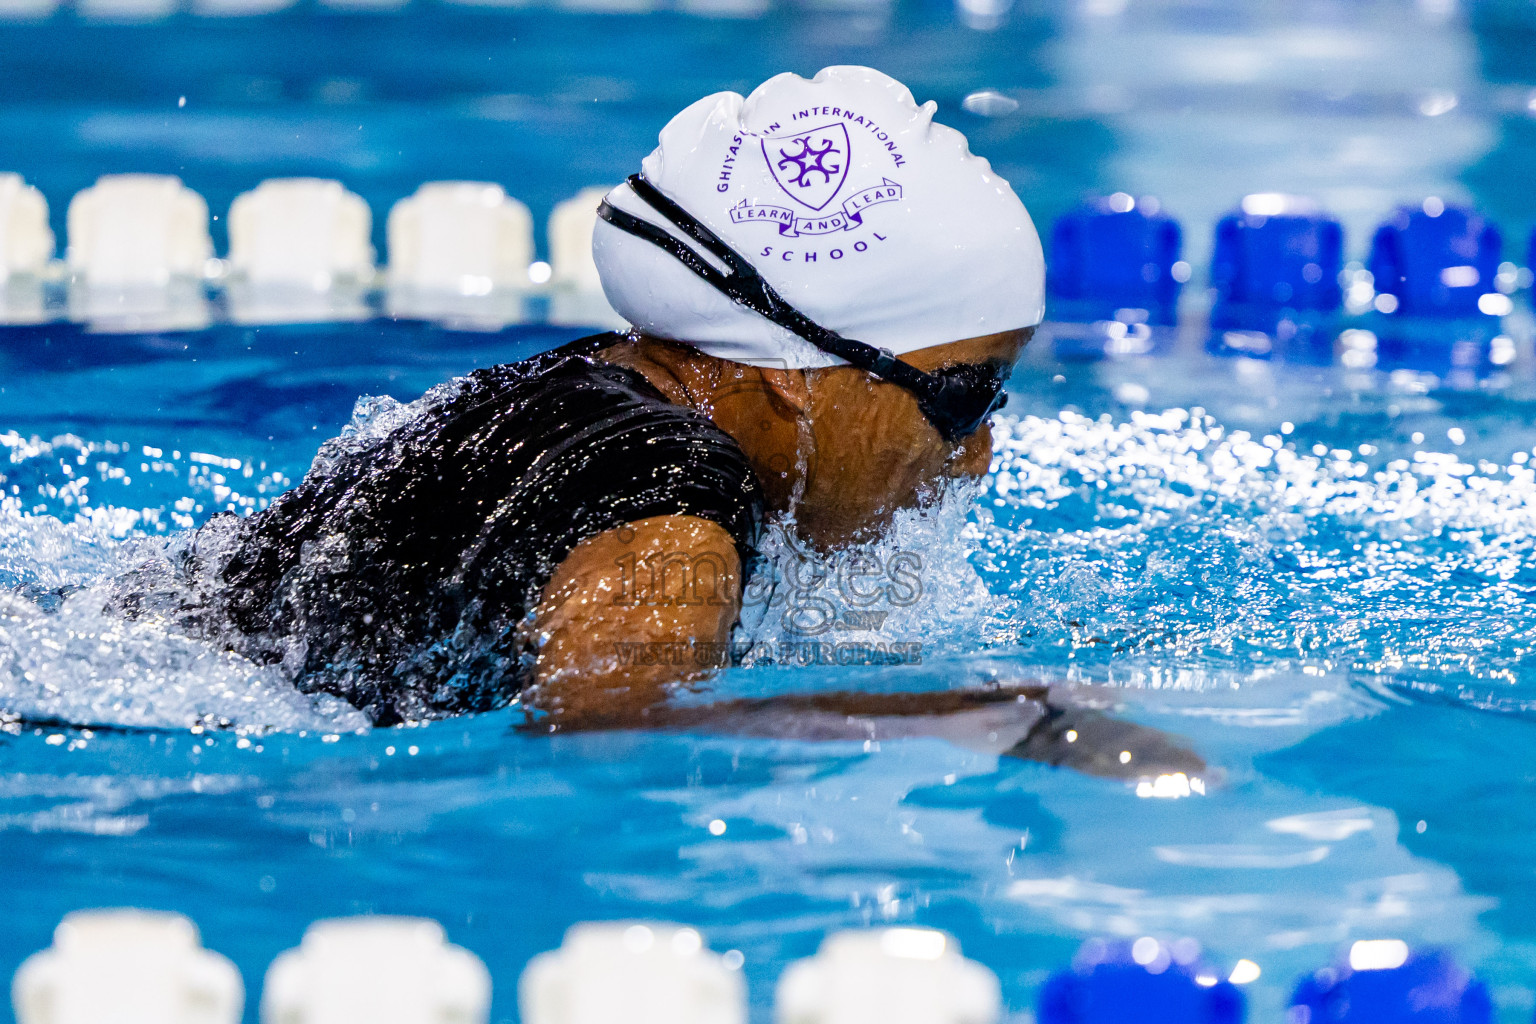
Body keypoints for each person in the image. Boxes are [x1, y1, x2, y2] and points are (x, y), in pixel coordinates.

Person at [122, 66, 1200, 779]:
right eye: (961, 395)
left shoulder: (603, 385)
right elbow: (602, 725)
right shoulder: (670, 505)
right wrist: (997, 721)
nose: (978, 452)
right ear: (799, 372)